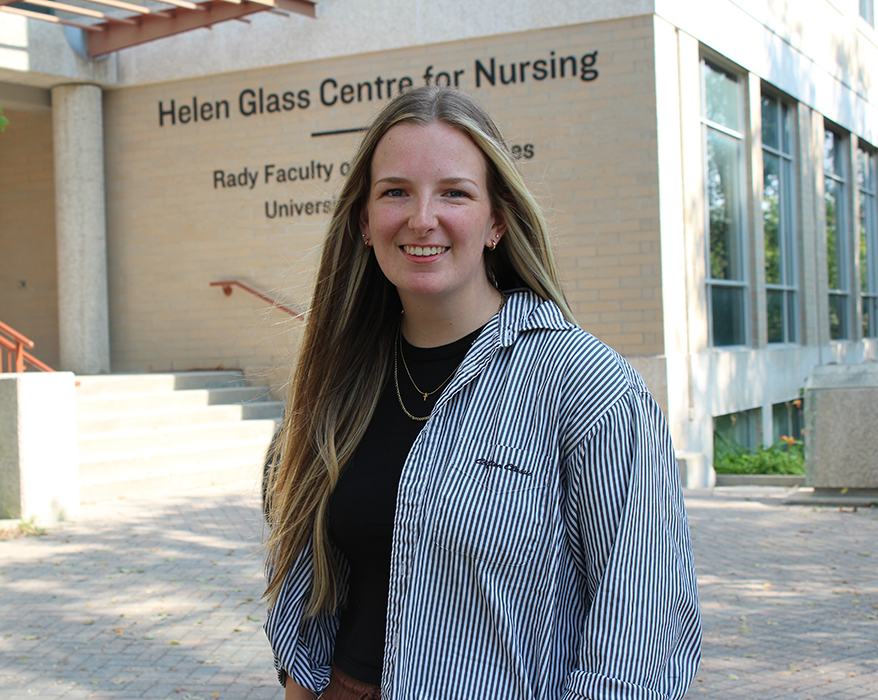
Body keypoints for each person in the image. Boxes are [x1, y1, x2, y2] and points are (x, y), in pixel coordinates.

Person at [262, 87, 701, 700]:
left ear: (497, 220)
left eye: (454, 192)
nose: (422, 218)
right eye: (395, 191)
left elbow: (642, 640)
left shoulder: (590, 390)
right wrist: (299, 681)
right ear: (364, 221)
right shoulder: (335, 382)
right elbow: (301, 567)